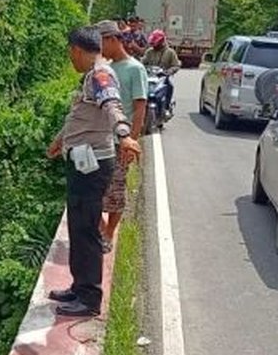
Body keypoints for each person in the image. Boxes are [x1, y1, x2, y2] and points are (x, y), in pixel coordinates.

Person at [46, 27, 141, 318]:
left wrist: (124, 134)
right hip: (82, 162)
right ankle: (79, 285)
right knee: (79, 226)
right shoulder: (92, 75)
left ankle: (89, 299)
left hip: (93, 166)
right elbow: (83, 115)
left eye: (69, 53)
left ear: (75, 50)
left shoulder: (101, 75)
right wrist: (62, 138)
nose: (70, 59)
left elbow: (112, 105)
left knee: (86, 230)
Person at [96, 20, 148, 252]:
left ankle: (108, 233)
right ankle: (100, 228)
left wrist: (131, 141)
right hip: (99, 140)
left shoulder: (135, 69)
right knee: (94, 189)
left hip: (120, 141)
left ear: (112, 40)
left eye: (101, 43)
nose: (100, 49)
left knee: (115, 190)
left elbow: (139, 108)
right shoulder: (105, 68)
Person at [141, 29, 181, 117]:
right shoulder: (149, 52)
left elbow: (176, 65)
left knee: (170, 86)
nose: (154, 45)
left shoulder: (170, 52)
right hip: (150, 77)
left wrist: (169, 71)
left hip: (162, 78)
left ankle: (166, 107)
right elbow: (143, 62)